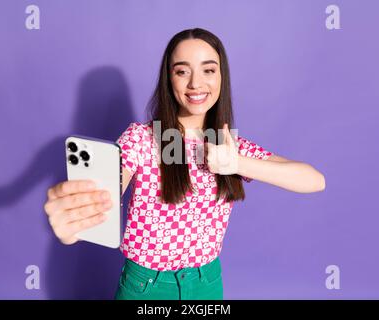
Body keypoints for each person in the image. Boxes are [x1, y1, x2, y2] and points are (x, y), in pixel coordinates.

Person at [43, 28, 326, 300]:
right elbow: (104, 193)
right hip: (145, 285)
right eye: (182, 71)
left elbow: (314, 180)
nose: (195, 83)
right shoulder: (141, 139)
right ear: (169, 79)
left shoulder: (230, 146)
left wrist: (236, 163)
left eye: (208, 70)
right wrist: (75, 222)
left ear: (221, 77)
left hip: (207, 283)